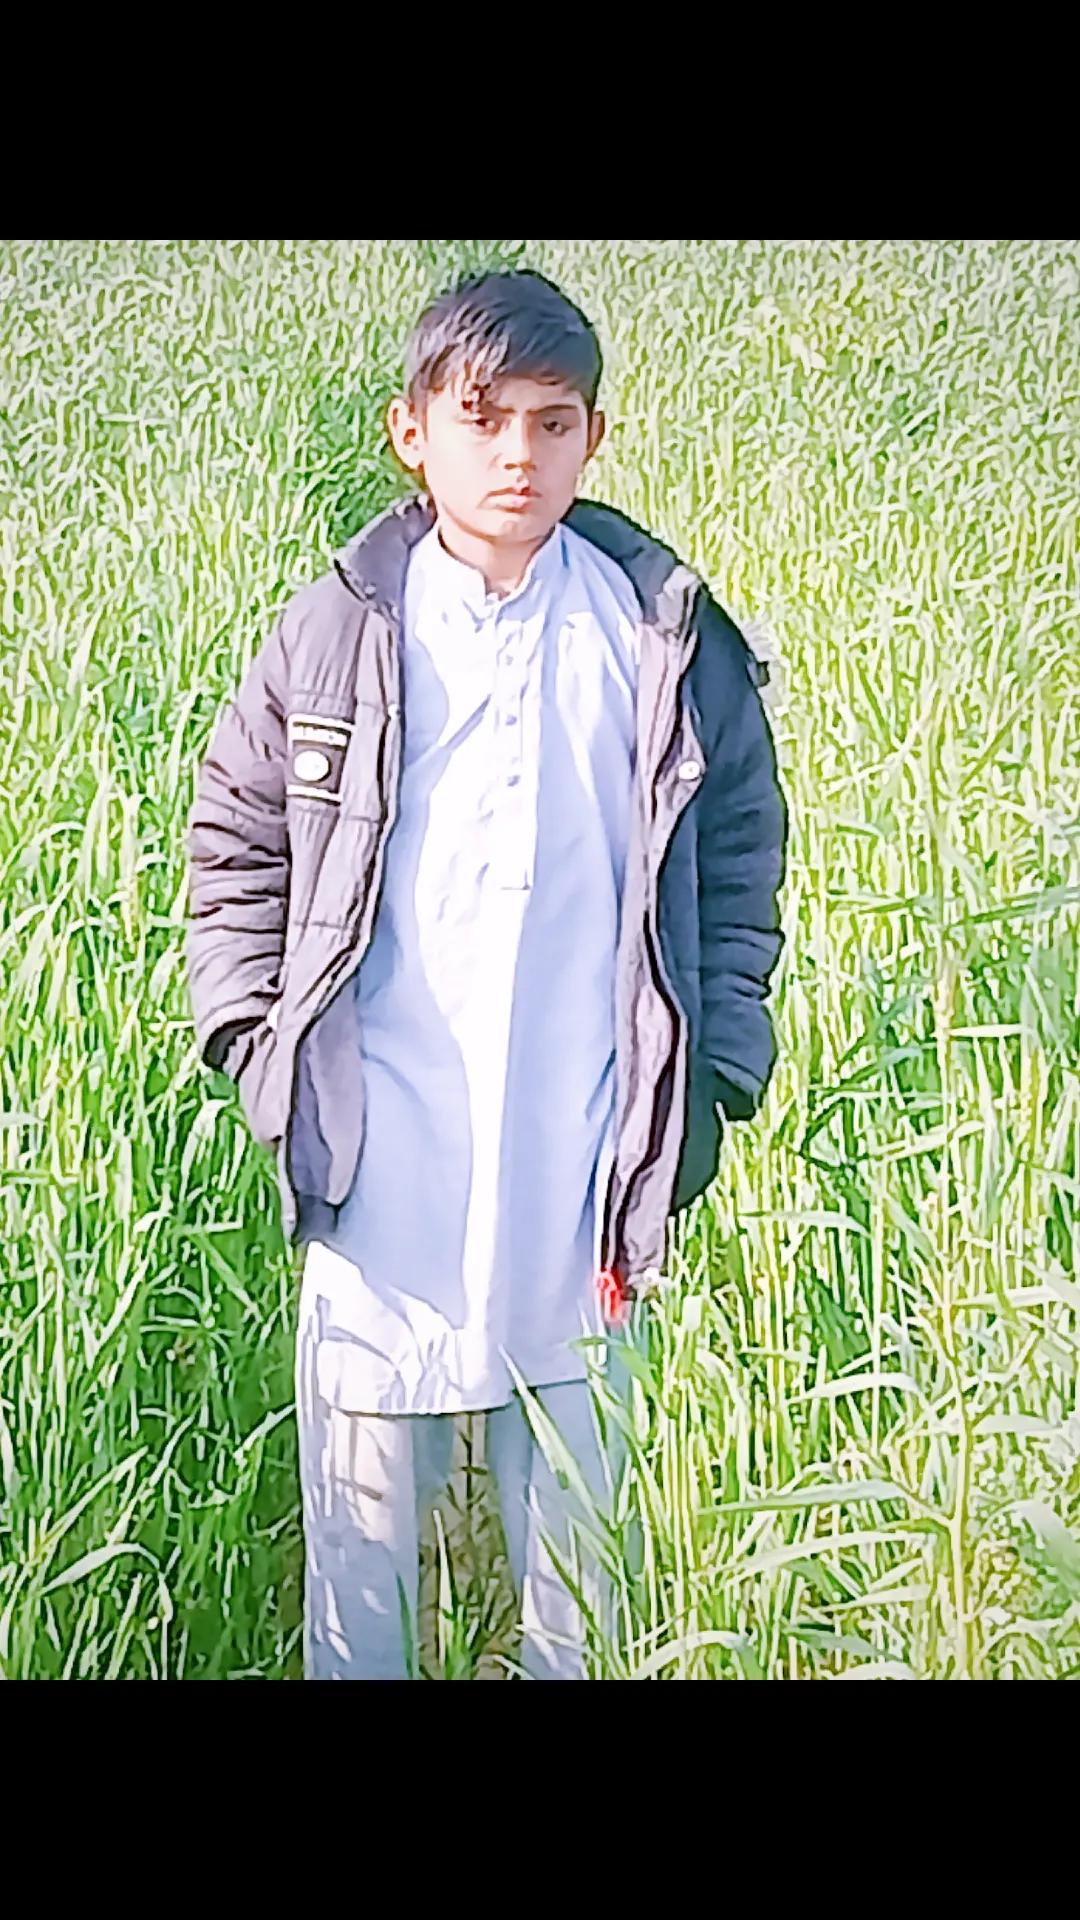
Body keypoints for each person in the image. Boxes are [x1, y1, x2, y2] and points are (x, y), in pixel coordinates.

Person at [184, 266, 789, 1679]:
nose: (518, 454)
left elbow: (741, 859)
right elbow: (237, 837)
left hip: (584, 1158)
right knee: (362, 1566)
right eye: (483, 418)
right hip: (379, 1153)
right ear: (414, 433)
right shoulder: (341, 627)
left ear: (594, 438)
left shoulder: (654, 633)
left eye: (551, 422)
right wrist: (258, 1048)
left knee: (579, 1553)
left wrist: (715, 1076)